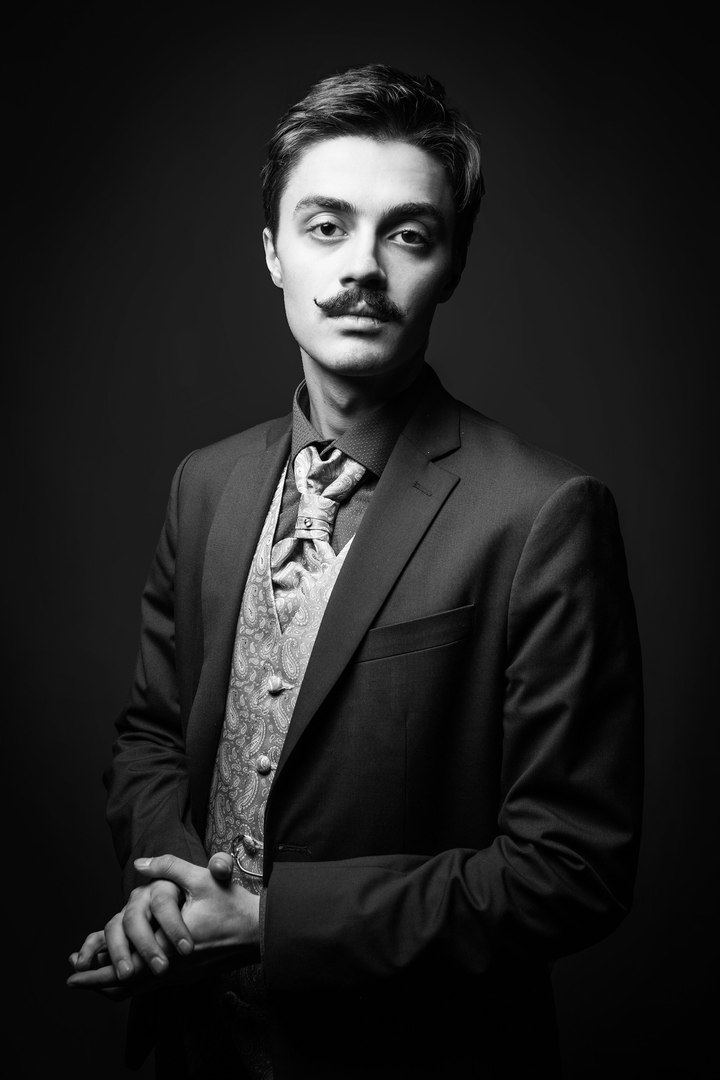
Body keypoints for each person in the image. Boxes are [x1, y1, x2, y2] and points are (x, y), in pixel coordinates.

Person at [67, 63, 644, 1079]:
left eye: (408, 234)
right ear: (273, 252)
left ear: (452, 264)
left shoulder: (545, 514)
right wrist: (168, 886)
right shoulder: (205, 484)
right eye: (327, 226)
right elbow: (151, 734)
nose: (364, 268)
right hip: (193, 1050)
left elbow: (570, 869)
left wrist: (271, 925)